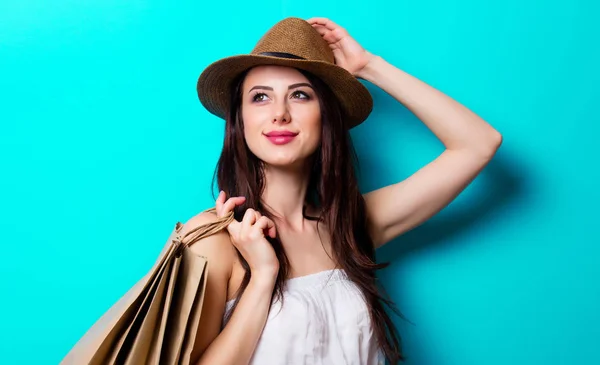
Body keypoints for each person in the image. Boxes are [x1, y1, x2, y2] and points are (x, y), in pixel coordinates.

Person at [183, 17, 502, 365]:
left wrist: (369, 66)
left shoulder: (349, 225)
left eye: (300, 95)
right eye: (260, 97)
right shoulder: (214, 238)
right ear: (239, 120)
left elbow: (479, 144)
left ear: (327, 114)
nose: (279, 114)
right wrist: (263, 278)